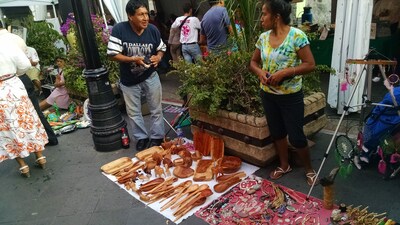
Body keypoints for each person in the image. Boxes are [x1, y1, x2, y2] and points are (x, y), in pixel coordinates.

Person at [249, 0, 317, 186]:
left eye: (264, 14)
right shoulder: (263, 38)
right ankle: (284, 165)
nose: (261, 18)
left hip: (291, 97)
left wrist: (286, 72)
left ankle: (309, 169)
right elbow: (253, 63)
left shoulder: (297, 36)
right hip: (268, 95)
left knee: (296, 136)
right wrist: (260, 72)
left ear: (276, 16)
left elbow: (310, 64)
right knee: (277, 132)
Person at [107, 0, 166, 151]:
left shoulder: (152, 29)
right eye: (141, 15)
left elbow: (161, 48)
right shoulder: (120, 29)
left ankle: (157, 137)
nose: (146, 18)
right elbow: (112, 54)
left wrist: (158, 57)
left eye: (146, 13)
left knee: (156, 109)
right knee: (133, 112)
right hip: (129, 79)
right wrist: (133, 59)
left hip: (150, 76)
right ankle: (141, 138)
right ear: (130, 16)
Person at [0, 22, 58, 146]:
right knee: (34, 110)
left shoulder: (3, 41)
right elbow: (25, 63)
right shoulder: (16, 38)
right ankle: (48, 138)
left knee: (11, 117)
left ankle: (27, 143)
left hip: (8, 81)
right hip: (21, 77)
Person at [0, 30, 48, 178]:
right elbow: (25, 65)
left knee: (7, 129)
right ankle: (40, 157)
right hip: (14, 85)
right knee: (27, 120)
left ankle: (23, 166)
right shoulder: (8, 42)